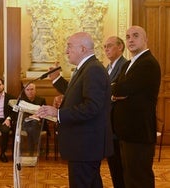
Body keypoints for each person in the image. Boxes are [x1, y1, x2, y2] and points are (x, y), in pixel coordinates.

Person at [36, 32, 113, 188]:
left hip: (86, 146)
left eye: (69, 46)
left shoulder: (93, 69)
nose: (66, 51)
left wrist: (57, 113)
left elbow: (92, 107)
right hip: (83, 145)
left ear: (83, 48)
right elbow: (80, 97)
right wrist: (64, 102)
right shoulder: (85, 68)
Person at [111, 26, 161, 188]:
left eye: (135, 36)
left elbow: (121, 89)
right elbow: (117, 89)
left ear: (145, 40)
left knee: (139, 179)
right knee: (128, 178)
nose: (130, 39)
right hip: (125, 132)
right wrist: (116, 91)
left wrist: (116, 91)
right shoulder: (128, 65)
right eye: (127, 37)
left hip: (139, 132)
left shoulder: (148, 63)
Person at [104, 36, 127, 188]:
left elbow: (119, 91)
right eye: (104, 46)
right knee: (113, 164)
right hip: (108, 123)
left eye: (110, 46)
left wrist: (110, 95)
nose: (106, 49)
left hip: (118, 123)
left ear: (120, 47)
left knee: (120, 165)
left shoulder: (125, 65)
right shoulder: (108, 67)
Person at [21, 83, 49, 156]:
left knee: (32, 127)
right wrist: (31, 116)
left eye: (32, 89)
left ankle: (31, 152)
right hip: (25, 123)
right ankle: (38, 145)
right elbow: (18, 114)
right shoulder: (21, 101)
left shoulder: (41, 100)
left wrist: (37, 116)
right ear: (25, 91)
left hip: (38, 123)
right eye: (28, 90)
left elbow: (45, 113)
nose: (30, 91)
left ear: (35, 90)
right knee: (32, 125)